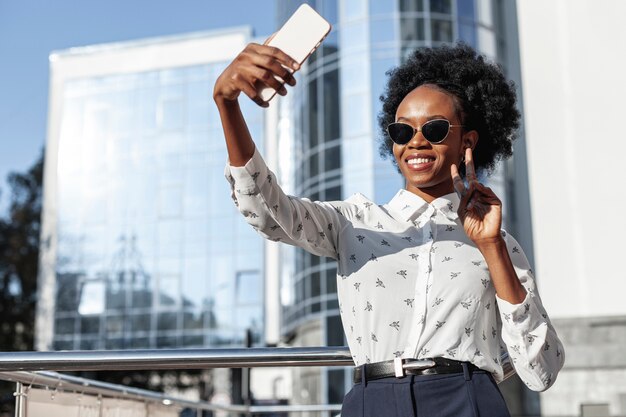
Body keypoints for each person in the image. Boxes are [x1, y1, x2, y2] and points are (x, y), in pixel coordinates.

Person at [213, 41, 564, 416]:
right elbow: (268, 211)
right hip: (372, 400)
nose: (416, 140)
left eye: (435, 127)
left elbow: (540, 370)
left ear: (468, 141)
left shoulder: (498, 243)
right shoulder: (352, 221)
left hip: (466, 400)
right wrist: (227, 104)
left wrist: (491, 245)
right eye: (402, 130)